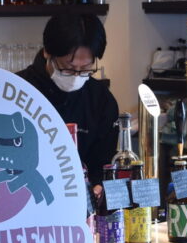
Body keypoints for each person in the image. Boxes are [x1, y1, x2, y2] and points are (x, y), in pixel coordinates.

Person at [18, 13, 118, 186]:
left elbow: (102, 166)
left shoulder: (101, 100)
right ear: (47, 52)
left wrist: (97, 187)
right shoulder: (18, 91)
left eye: (85, 68)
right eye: (68, 68)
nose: (76, 76)